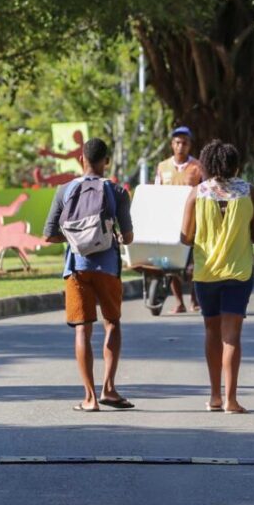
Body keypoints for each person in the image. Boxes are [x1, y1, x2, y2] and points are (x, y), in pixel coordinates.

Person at [43, 138, 135, 413]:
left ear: (81, 159)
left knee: (82, 329)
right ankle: (109, 388)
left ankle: (90, 398)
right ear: (106, 161)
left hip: (76, 267)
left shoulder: (64, 190)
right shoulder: (117, 192)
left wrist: (76, 239)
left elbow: (49, 235)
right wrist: (108, 236)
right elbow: (128, 236)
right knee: (112, 323)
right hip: (108, 268)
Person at [181, 140, 254, 414]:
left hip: (206, 273)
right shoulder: (250, 193)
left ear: (206, 164)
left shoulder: (197, 193)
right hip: (239, 272)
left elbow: (186, 237)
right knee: (232, 336)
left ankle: (215, 395)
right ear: (235, 165)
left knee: (211, 331)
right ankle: (231, 399)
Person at [155, 125, 206, 314]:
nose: (180, 146)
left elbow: (204, 191)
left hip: (193, 222)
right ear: (172, 144)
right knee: (170, 264)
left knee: (193, 263)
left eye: (184, 143)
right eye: (177, 142)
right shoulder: (162, 167)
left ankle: (194, 300)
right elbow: (156, 192)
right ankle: (178, 302)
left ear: (190, 145)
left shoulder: (198, 167)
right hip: (169, 222)